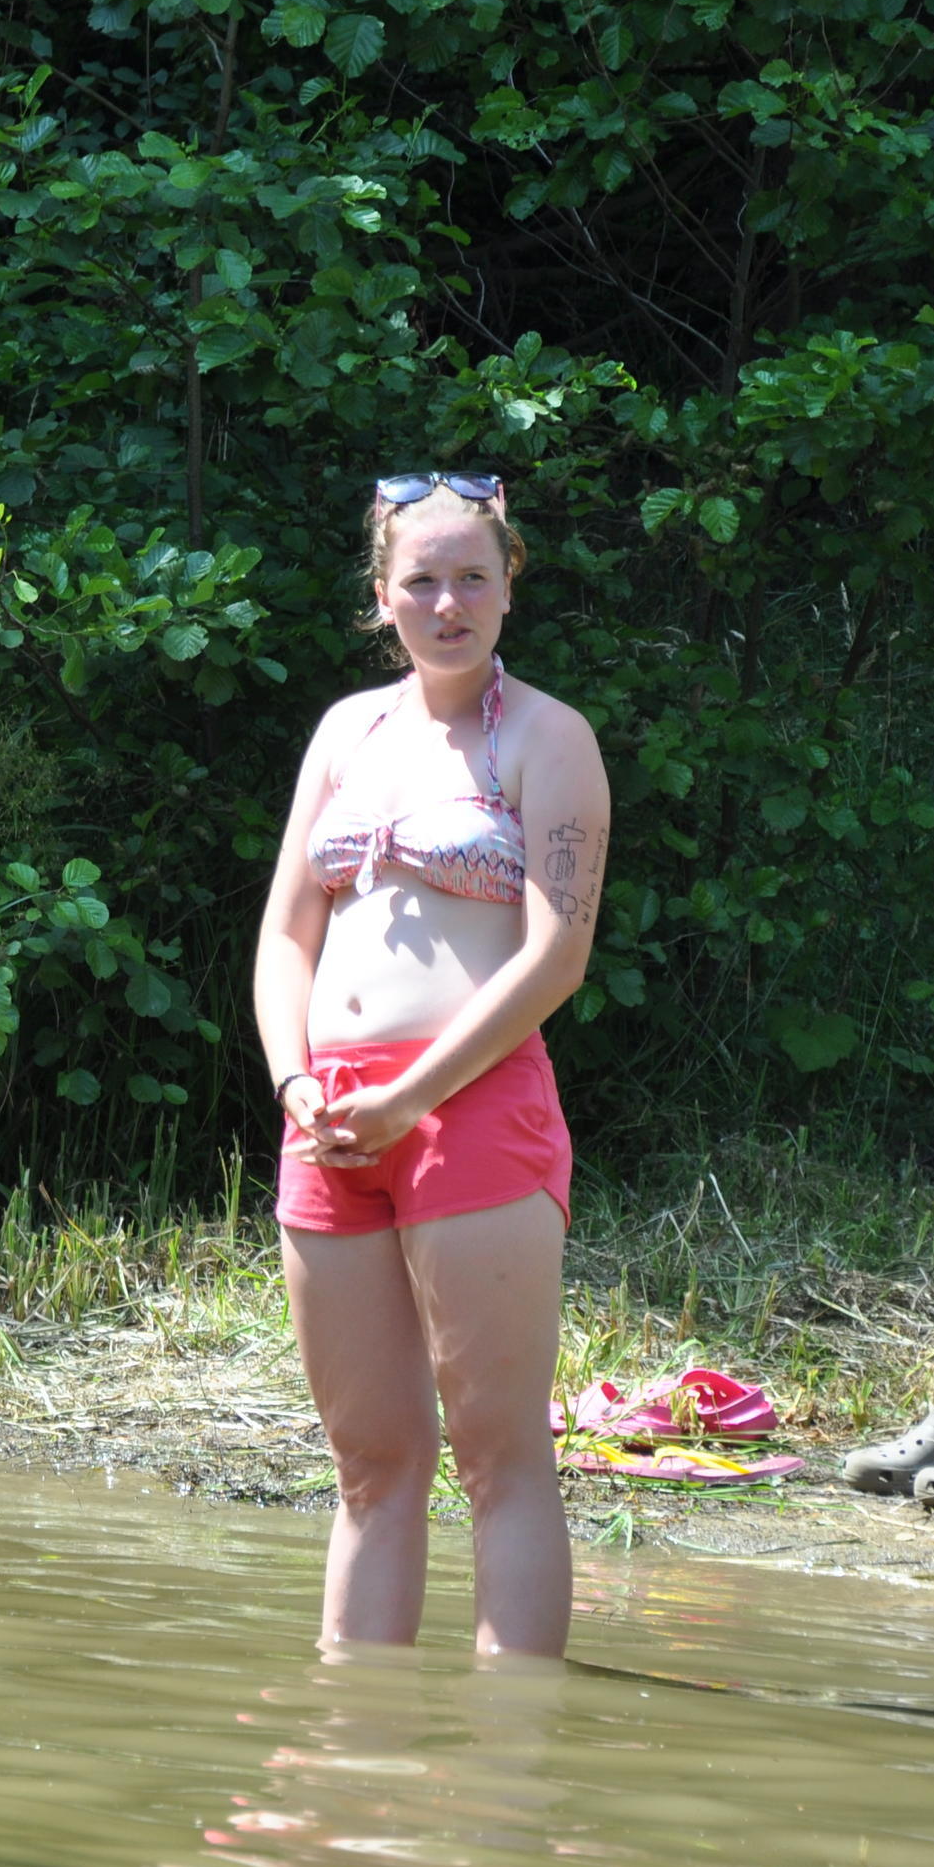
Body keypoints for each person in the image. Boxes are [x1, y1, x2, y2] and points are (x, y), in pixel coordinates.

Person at [251, 472, 610, 1660]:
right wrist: (295, 1084)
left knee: (499, 1455)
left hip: (472, 1106)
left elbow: (557, 956)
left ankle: (510, 1754)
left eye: (472, 577)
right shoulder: (344, 733)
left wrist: (413, 1096)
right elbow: (286, 937)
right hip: (329, 1119)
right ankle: (355, 1744)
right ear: (381, 596)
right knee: (370, 1461)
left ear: (510, 588)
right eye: (422, 580)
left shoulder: (550, 738)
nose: (447, 603)